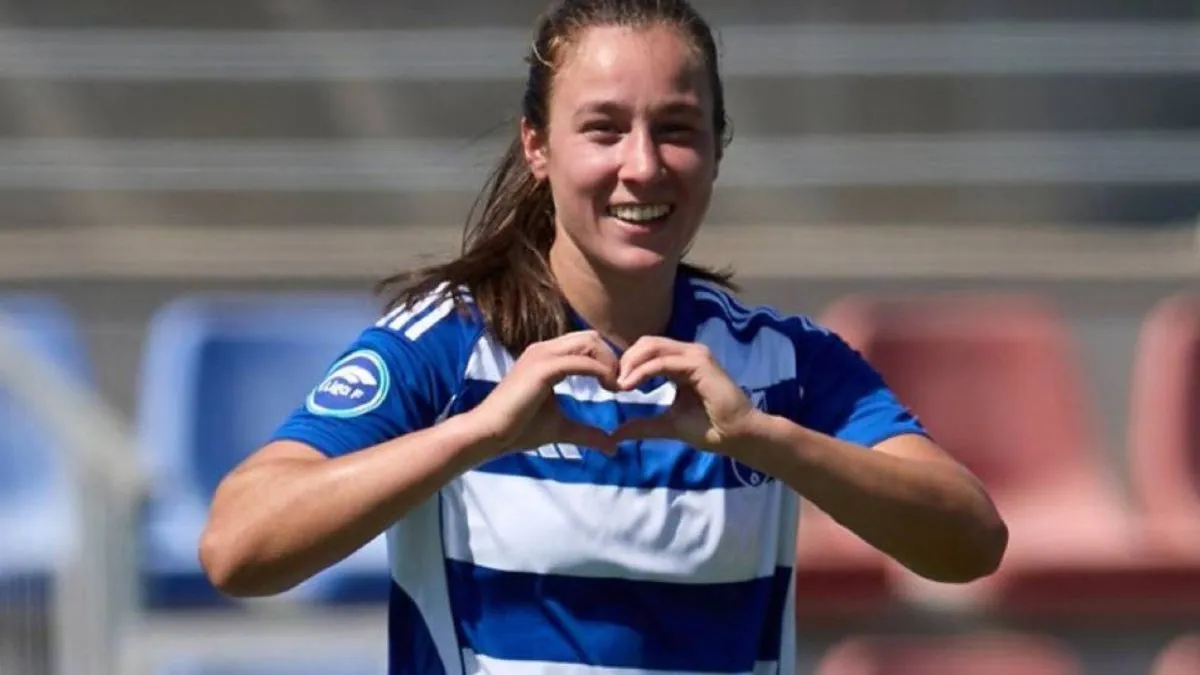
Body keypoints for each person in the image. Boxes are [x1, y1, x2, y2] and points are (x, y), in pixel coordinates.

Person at [199, 0, 1008, 673]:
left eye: (678, 128)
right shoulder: (444, 346)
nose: (644, 165)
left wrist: (764, 440)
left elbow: (970, 541)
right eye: (604, 128)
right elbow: (238, 546)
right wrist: (479, 433)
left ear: (718, 150)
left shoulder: (780, 365)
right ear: (537, 146)